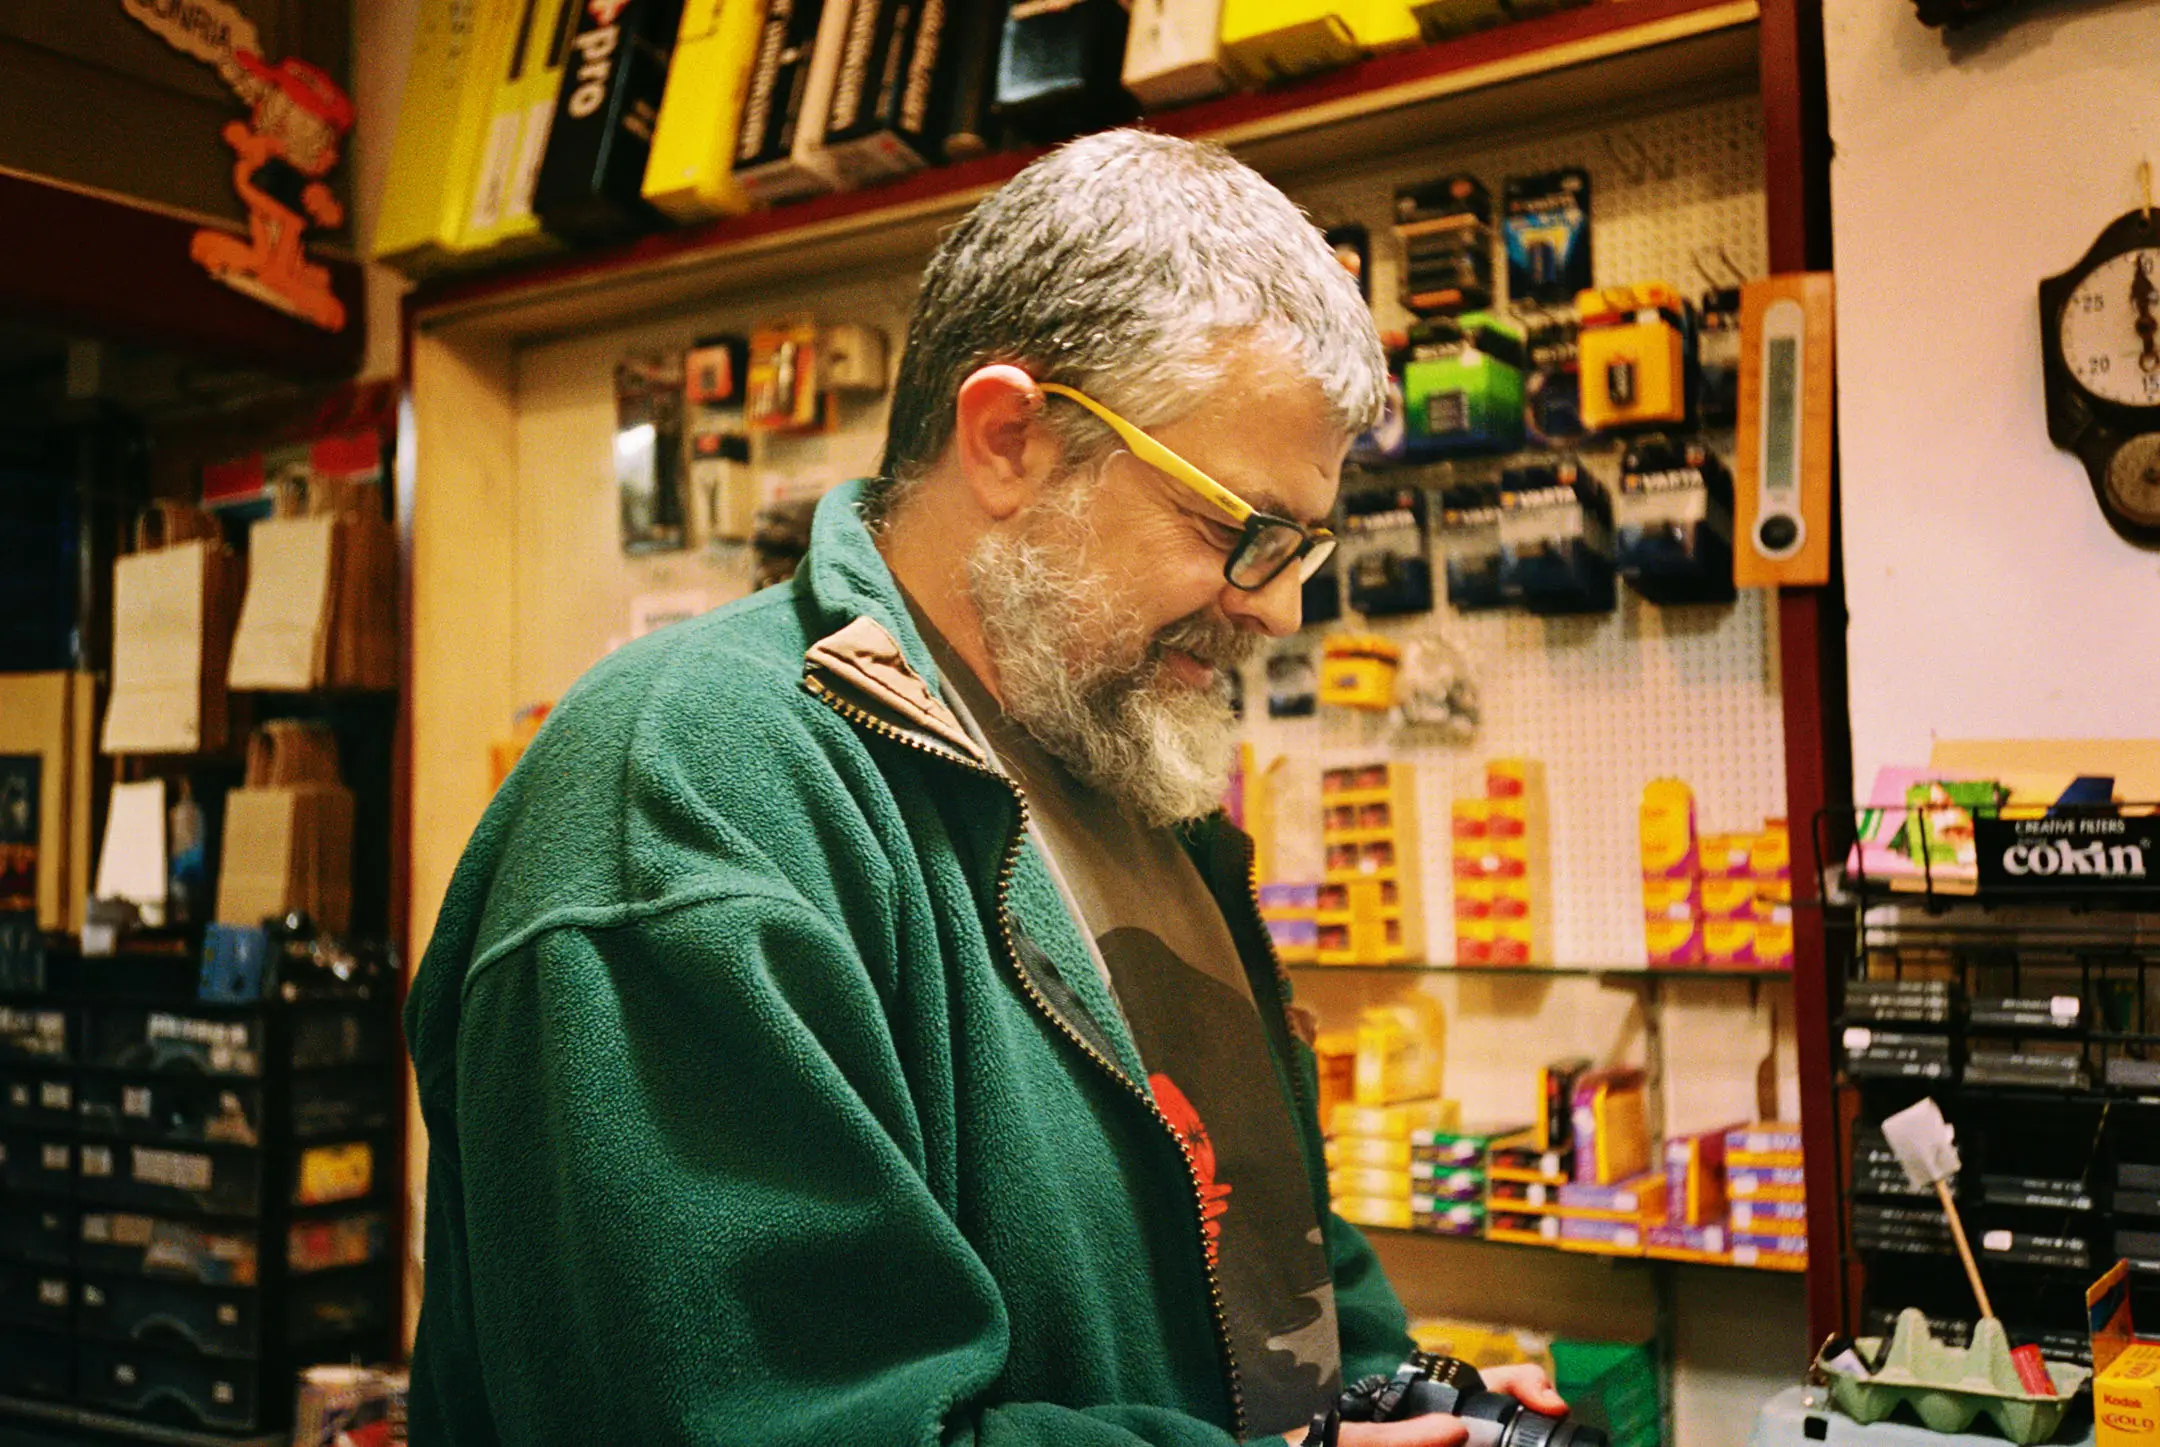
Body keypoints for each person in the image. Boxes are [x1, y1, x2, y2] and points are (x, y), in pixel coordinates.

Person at [403, 129, 1567, 1447]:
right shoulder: (686, 790)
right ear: (1010, 436)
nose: (1285, 608)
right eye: (1243, 531)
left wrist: (1402, 1397)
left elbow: (1268, 1243)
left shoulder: (1136, 783)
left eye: (1307, 545)